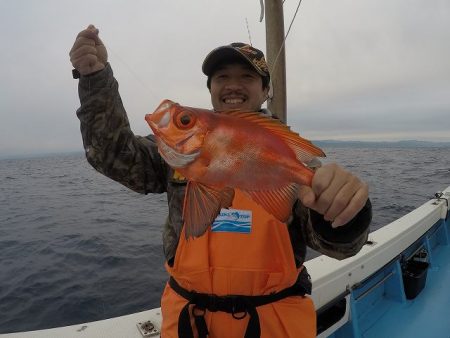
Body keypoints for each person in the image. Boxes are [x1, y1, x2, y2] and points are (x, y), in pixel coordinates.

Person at [70, 25, 371, 338]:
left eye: (247, 77)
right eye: (222, 77)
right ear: (211, 88)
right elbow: (109, 154)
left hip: (271, 325)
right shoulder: (175, 152)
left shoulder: (298, 162)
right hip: (188, 322)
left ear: (266, 89)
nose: (233, 86)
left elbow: (342, 246)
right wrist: (95, 78)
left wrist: (346, 211)